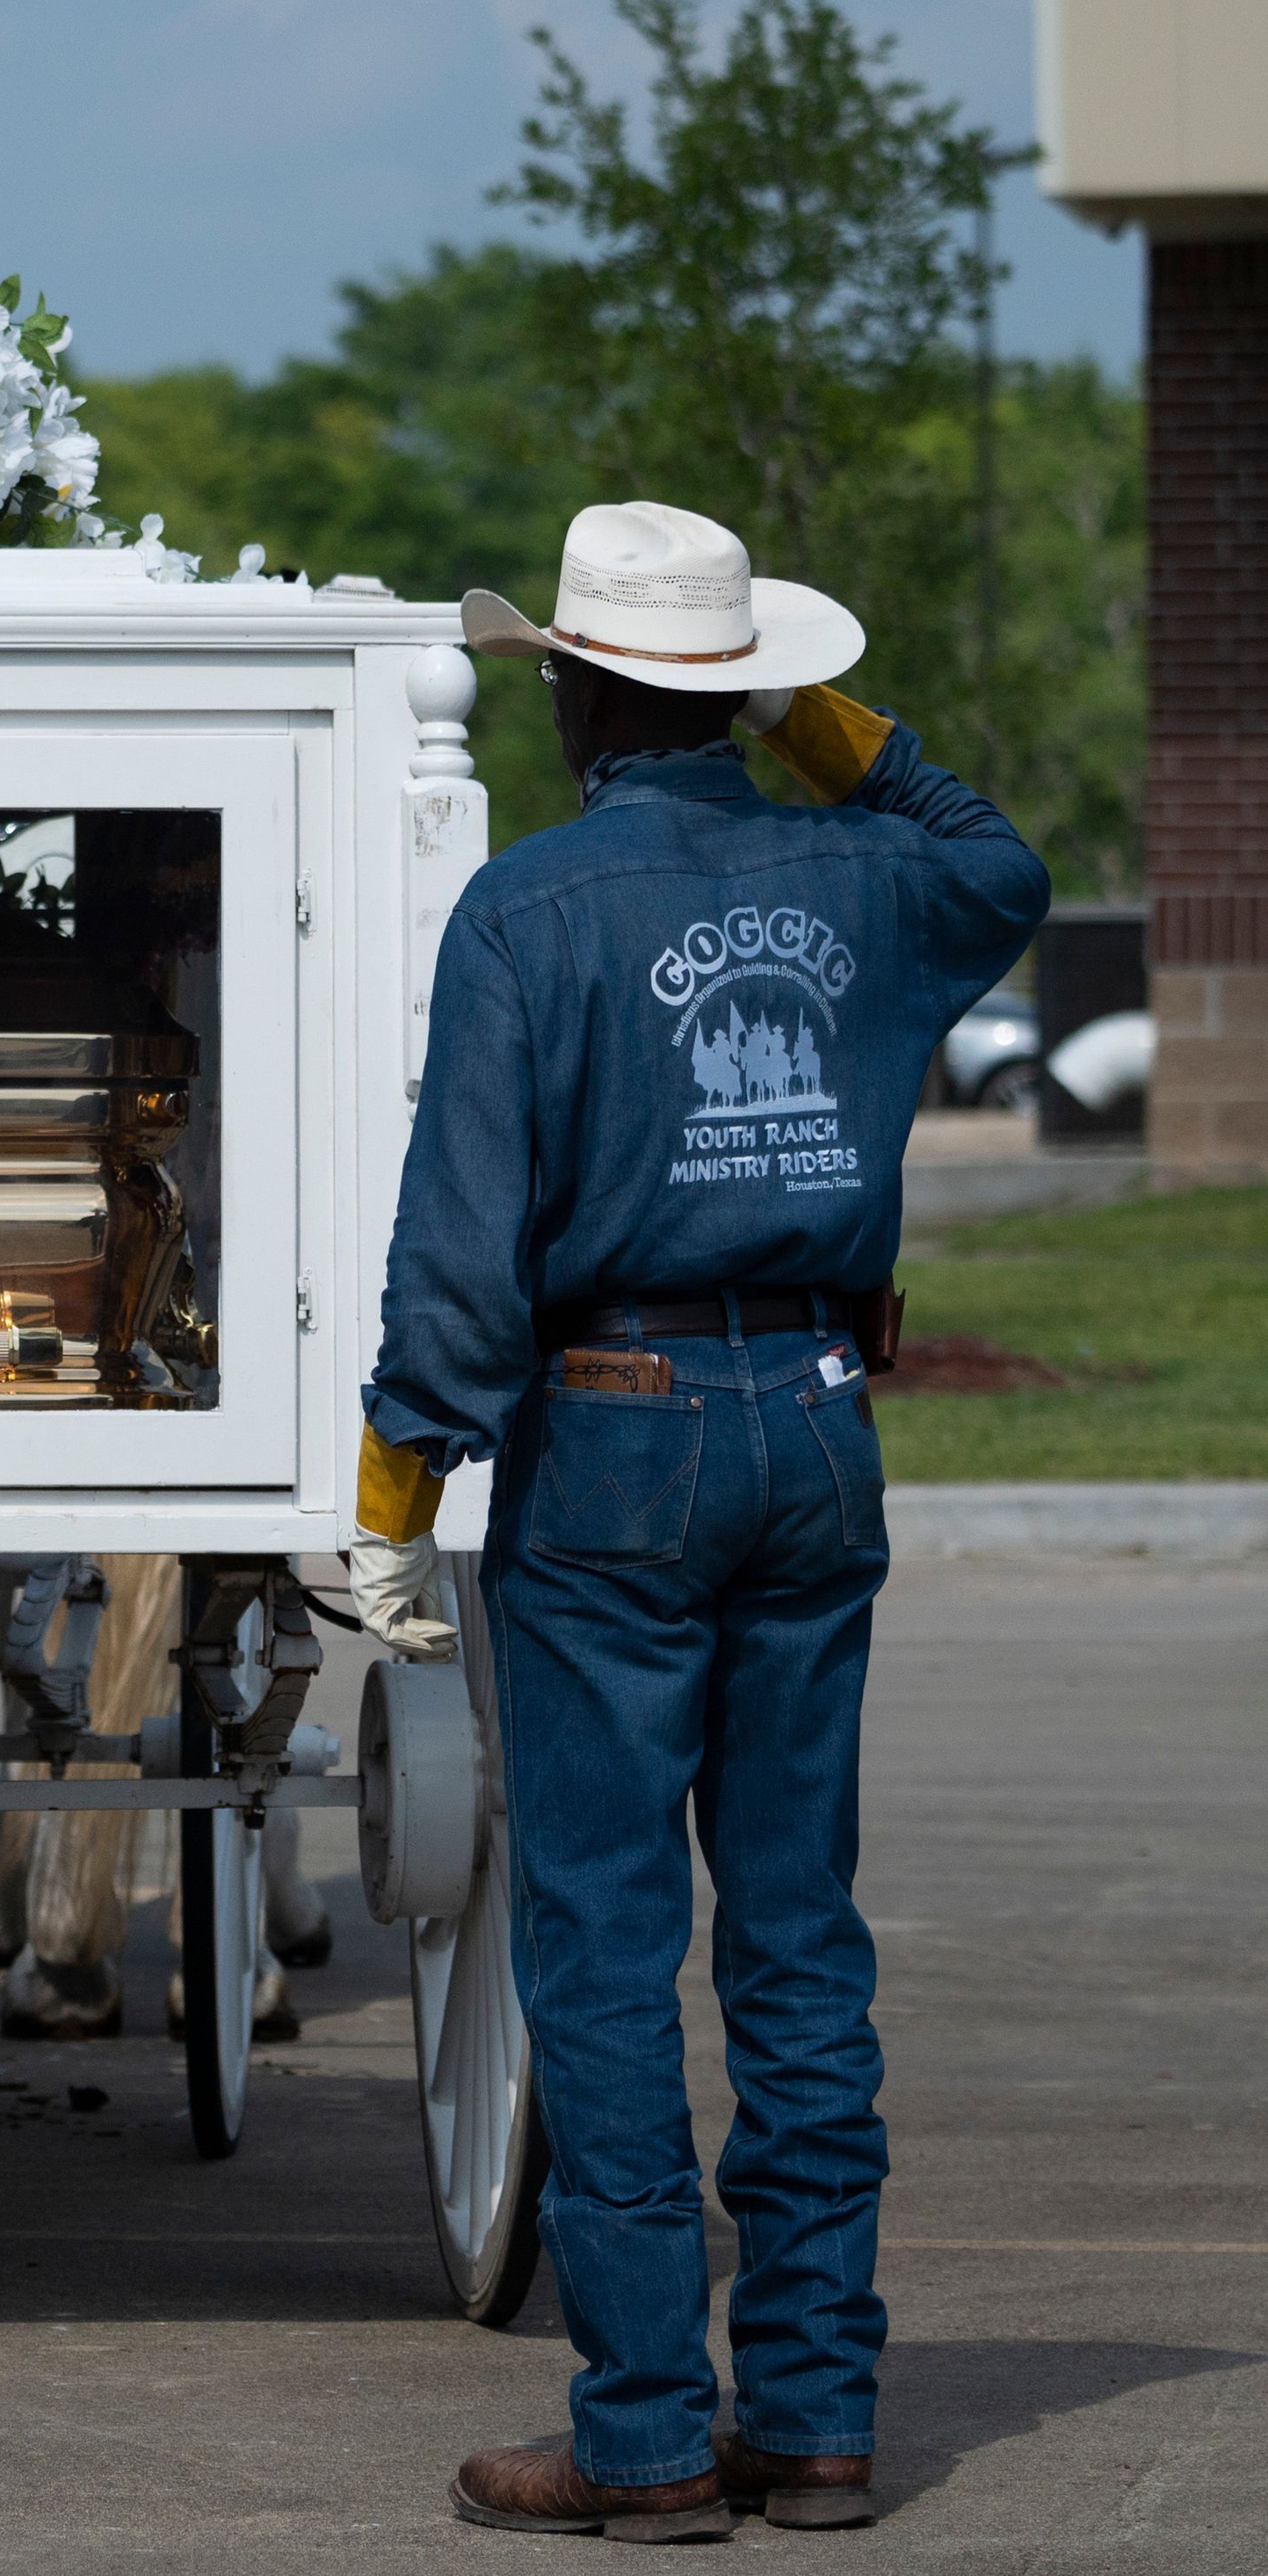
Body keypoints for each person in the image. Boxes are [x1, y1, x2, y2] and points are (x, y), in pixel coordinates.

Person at [350, 503, 1048, 2540]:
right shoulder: (874, 875)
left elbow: (462, 1242)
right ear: (745, 693)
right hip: (820, 1409)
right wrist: (836, 738)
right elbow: (999, 857)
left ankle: (649, 2430)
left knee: (600, 1933)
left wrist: (398, 1479)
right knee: (796, 1932)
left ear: (572, 688)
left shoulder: (530, 906)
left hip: (616, 1429)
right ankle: (816, 2413)